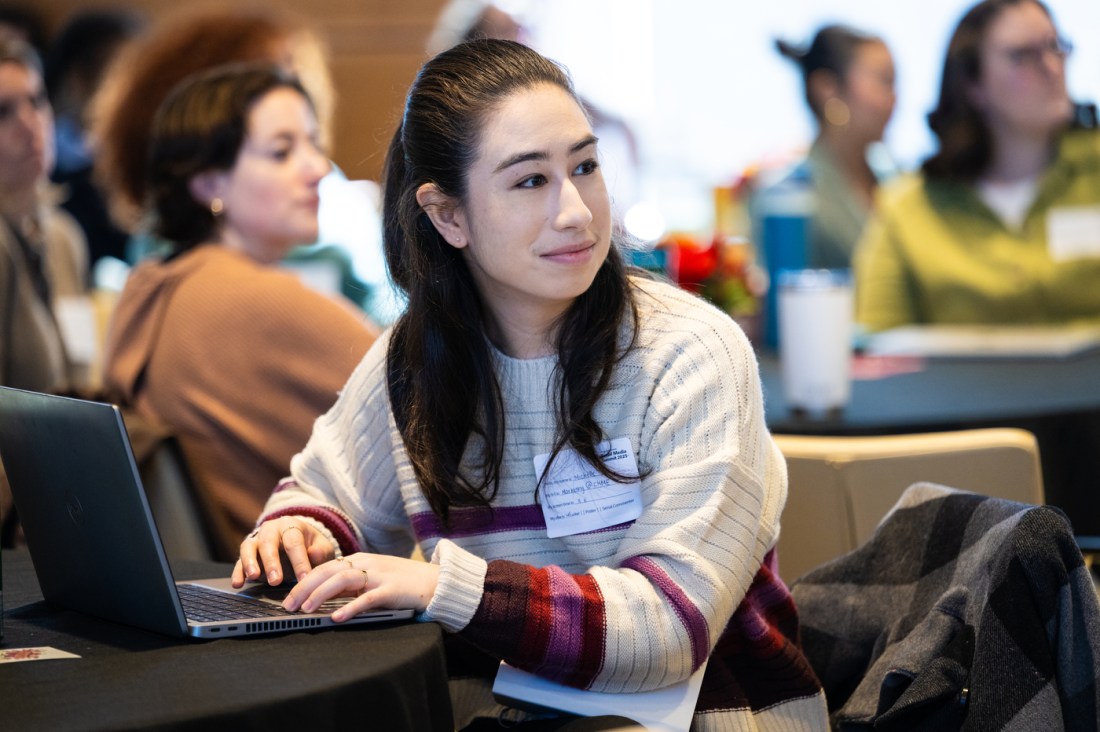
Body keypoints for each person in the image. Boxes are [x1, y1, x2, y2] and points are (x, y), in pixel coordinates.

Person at [234, 39, 827, 730]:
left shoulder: (690, 350)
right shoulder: (417, 358)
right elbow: (323, 491)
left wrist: (444, 587)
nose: (576, 211)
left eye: (585, 167)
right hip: (499, 713)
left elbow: (670, 630)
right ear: (447, 215)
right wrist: (301, 529)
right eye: (530, 181)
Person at [102, 65, 377, 560]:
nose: (317, 167)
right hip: (292, 590)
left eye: (313, 144)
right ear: (209, 183)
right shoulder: (260, 301)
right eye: (281, 151)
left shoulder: (149, 284)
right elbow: (436, 404)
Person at [854, 0, 1100, 331]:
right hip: (958, 385)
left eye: (1056, 46)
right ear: (974, 86)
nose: (1052, 67)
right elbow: (879, 353)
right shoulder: (908, 209)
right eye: (1023, 55)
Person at [0, 37, 88, 544]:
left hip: (64, 498)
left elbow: (80, 375)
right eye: (3, 111)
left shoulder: (63, 237)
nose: (30, 122)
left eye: (37, 100)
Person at [759, 25, 897, 270]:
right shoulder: (787, 197)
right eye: (884, 81)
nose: (893, 98)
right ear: (827, 88)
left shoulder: (899, 184)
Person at [45, 9, 143, 270]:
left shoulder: (136, 158)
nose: (132, 93)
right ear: (78, 80)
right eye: (119, 77)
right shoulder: (47, 162)